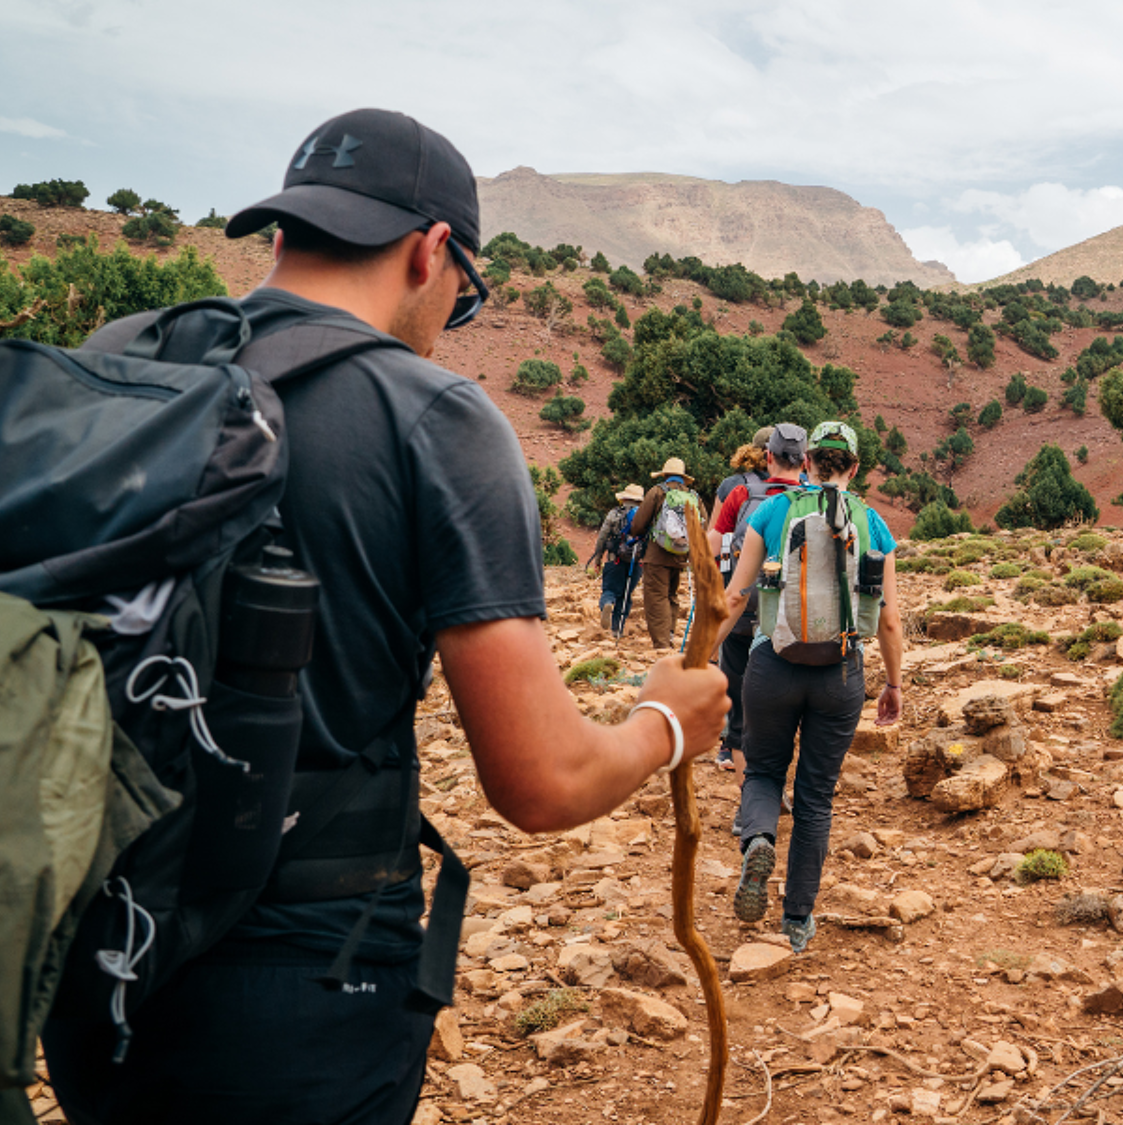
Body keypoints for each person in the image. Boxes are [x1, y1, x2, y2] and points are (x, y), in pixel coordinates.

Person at [42, 108, 728, 1125]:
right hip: (305, 981)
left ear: (284, 233)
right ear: (432, 251)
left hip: (88, 953)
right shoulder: (436, 419)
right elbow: (539, 782)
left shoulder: (121, 361)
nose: (453, 310)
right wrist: (663, 724)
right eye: (464, 292)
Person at [720, 421, 902, 954]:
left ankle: (757, 839)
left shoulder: (773, 511)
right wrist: (892, 683)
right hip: (840, 674)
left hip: (771, 667)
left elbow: (735, 597)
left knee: (765, 769)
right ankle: (797, 920)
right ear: (855, 467)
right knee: (816, 796)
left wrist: (700, 658)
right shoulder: (873, 523)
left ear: (806, 463)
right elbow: (889, 620)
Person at [707, 424, 802, 771]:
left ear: (767, 455)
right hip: (790, 614)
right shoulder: (809, 494)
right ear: (803, 460)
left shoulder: (738, 490)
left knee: (736, 677)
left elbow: (715, 540)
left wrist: (712, 585)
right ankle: (776, 758)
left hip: (742, 603)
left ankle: (731, 746)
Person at [629, 458, 707, 651]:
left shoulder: (657, 492)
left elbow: (638, 524)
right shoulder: (693, 496)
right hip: (681, 555)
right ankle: (669, 634)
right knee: (672, 596)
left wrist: (637, 535)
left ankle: (662, 645)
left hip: (657, 555)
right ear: (683, 478)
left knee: (656, 597)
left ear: (664, 475)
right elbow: (704, 524)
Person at [585, 483, 646, 634]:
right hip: (636, 562)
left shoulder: (614, 514)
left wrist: (598, 559)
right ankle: (617, 628)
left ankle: (607, 602)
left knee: (610, 590)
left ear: (623, 498)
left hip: (615, 560)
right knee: (626, 595)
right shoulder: (646, 517)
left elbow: (602, 537)